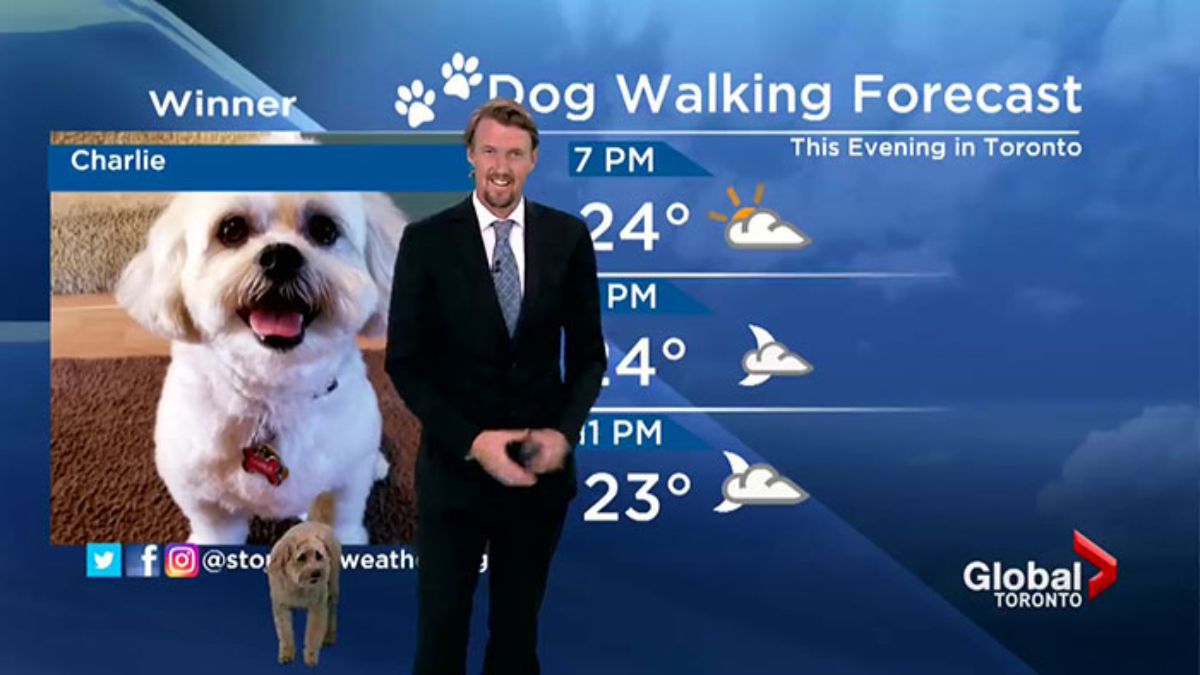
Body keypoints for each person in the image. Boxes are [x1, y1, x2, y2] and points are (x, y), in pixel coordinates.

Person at [386, 99, 607, 675]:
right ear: (471, 156)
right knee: (440, 640)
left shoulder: (568, 237)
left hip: (536, 480)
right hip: (454, 477)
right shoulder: (427, 241)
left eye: (514, 153)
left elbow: (589, 358)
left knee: (515, 641)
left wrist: (563, 434)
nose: (500, 165)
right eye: (489, 151)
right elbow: (405, 364)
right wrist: (472, 440)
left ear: (533, 160)